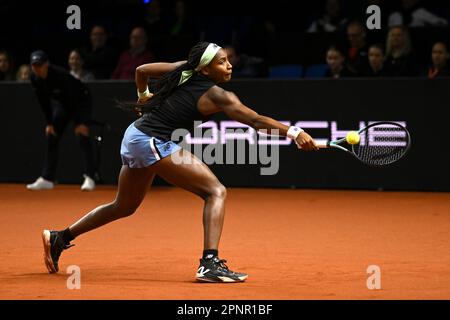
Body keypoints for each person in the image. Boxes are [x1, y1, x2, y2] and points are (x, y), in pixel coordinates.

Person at [41, 42, 319, 283]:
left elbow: (141, 72)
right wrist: (295, 132)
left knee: (123, 206)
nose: (230, 66)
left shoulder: (182, 68)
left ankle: (60, 237)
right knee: (216, 191)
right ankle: (209, 263)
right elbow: (256, 120)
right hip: (151, 141)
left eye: (229, 60)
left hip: (136, 135)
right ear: (206, 69)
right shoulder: (220, 95)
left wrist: (143, 97)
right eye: (222, 62)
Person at [27, 50, 98, 191]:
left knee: (81, 135)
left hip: (81, 101)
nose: (37, 68)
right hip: (63, 104)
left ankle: (90, 178)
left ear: (47, 64)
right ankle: (47, 179)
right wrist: (49, 123)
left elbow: (74, 99)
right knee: (51, 135)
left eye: (40, 65)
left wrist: (81, 122)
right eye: (34, 66)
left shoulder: (60, 75)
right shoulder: (35, 78)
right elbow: (43, 101)